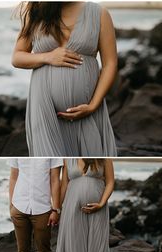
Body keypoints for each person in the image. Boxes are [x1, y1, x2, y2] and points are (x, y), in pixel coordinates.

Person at [12, 2, 117, 156]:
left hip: (88, 110)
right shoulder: (36, 13)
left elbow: (110, 63)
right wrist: (47, 57)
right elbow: (17, 57)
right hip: (44, 109)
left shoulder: (99, 14)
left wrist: (93, 105)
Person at [56, 159, 114, 252]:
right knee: (74, 248)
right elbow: (64, 185)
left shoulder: (103, 157)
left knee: (96, 247)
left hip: (98, 210)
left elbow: (110, 182)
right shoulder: (67, 156)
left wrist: (101, 203)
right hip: (71, 207)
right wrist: (56, 210)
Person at [8, 158, 63, 252]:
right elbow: (14, 176)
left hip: (43, 209)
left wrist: (55, 209)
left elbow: (55, 180)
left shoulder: (53, 151)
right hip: (19, 206)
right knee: (22, 251)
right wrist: (11, 205)